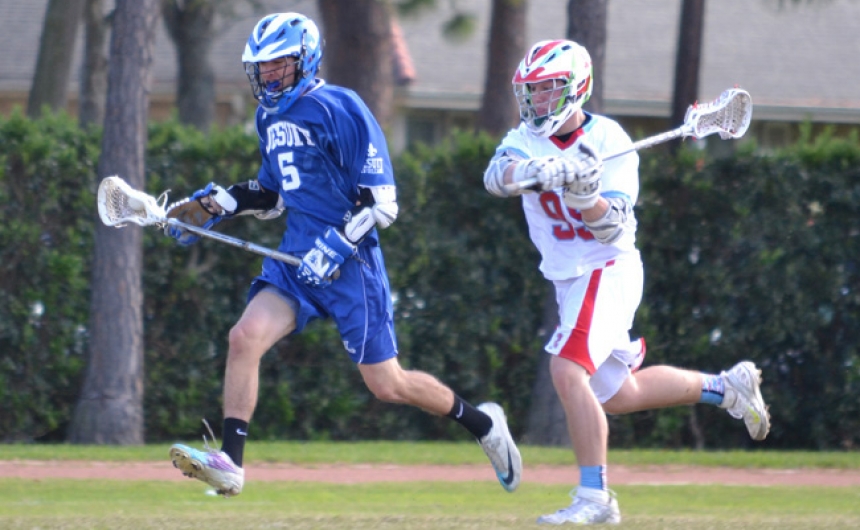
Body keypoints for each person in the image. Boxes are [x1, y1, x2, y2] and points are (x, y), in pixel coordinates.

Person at [165, 12, 521, 498]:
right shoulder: (269, 116)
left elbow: (385, 204)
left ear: (305, 60)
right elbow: (274, 194)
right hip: (296, 258)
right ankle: (231, 464)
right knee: (244, 336)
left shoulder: (341, 107)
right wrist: (218, 204)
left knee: (387, 384)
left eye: (278, 66)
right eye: (261, 68)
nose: (268, 76)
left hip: (351, 264)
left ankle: (483, 424)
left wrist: (334, 246)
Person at [483, 39, 770, 525]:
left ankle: (595, 499)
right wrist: (539, 170)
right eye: (531, 92)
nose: (537, 103)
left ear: (577, 90)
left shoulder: (611, 141)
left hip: (607, 266)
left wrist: (585, 194)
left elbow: (613, 226)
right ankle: (727, 389)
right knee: (618, 397)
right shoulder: (524, 139)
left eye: (549, 91)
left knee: (566, 370)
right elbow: (496, 177)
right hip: (568, 279)